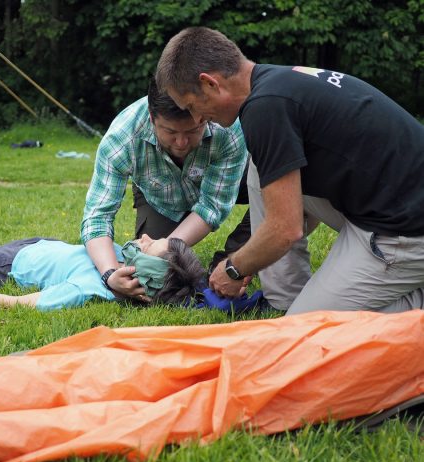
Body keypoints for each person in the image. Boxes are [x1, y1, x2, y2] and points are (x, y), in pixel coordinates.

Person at [156, 27, 424, 315]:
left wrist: (232, 269)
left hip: (404, 230)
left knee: (306, 330)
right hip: (391, 200)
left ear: (209, 83)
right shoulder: (277, 81)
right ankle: (283, 297)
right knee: (261, 169)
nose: (197, 119)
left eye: (193, 107)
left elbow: (286, 229)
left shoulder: (265, 109)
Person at [81, 78, 250, 299]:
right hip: (160, 198)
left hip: (235, 182)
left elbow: (212, 207)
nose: (181, 143)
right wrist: (110, 274)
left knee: (272, 188)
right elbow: (97, 216)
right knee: (153, 266)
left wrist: (169, 245)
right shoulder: (121, 138)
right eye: (171, 132)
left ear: (204, 119)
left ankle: (235, 260)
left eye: (192, 131)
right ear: (152, 119)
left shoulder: (227, 129)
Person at [0, 211, 205, 310]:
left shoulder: (88, 288)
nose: (143, 237)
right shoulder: (116, 261)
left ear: (138, 273)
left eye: (149, 245)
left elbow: (23, 303)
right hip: (40, 247)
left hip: (7, 267)